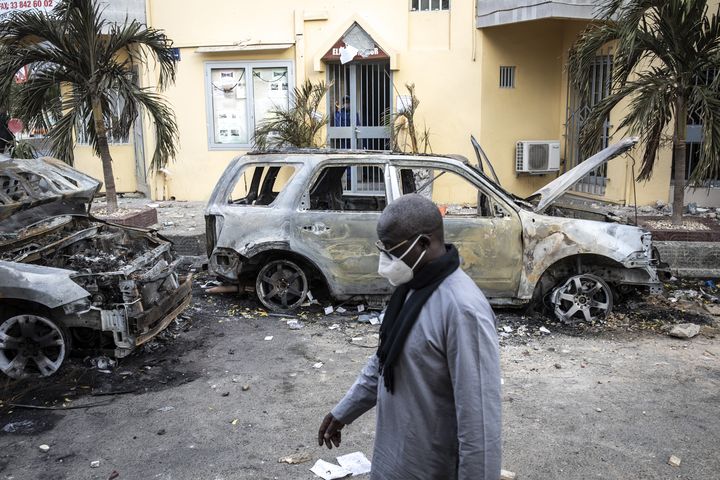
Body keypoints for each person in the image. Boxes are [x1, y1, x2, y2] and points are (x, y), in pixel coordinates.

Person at [317, 193, 502, 480]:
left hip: (430, 467)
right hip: (393, 461)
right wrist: (345, 410)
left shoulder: (462, 310)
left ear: (425, 243)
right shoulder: (411, 289)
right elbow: (384, 361)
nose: (385, 258)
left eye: (392, 249)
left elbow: (480, 425)